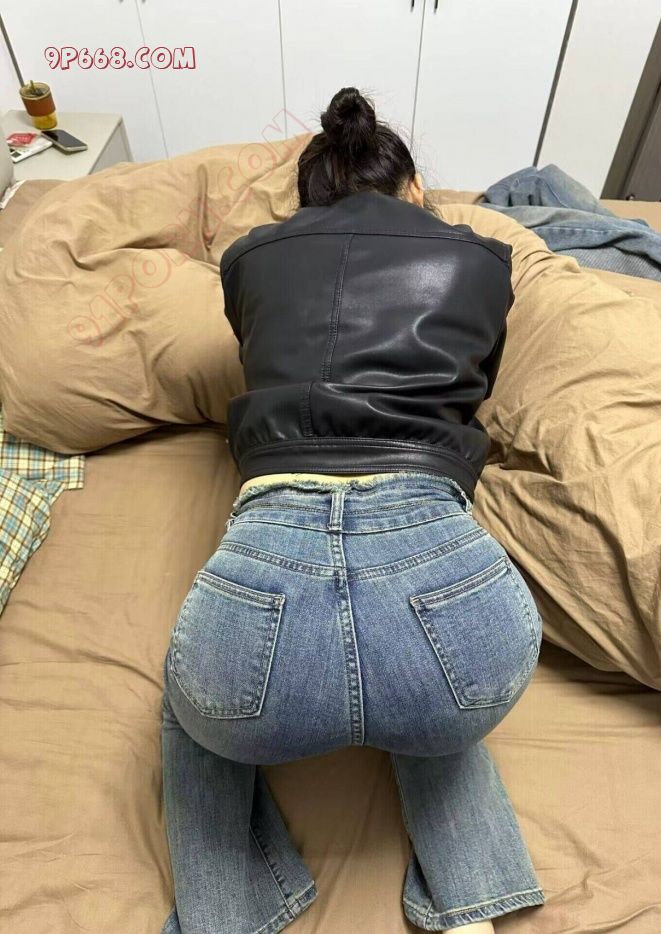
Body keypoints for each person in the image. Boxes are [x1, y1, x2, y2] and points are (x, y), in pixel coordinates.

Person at [160, 87, 546, 934]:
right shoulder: (482, 260)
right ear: (415, 188)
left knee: (188, 695)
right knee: (432, 696)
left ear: (309, 199)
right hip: (453, 607)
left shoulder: (251, 258)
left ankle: (226, 918)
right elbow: (473, 386)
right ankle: (471, 904)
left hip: (269, 570)